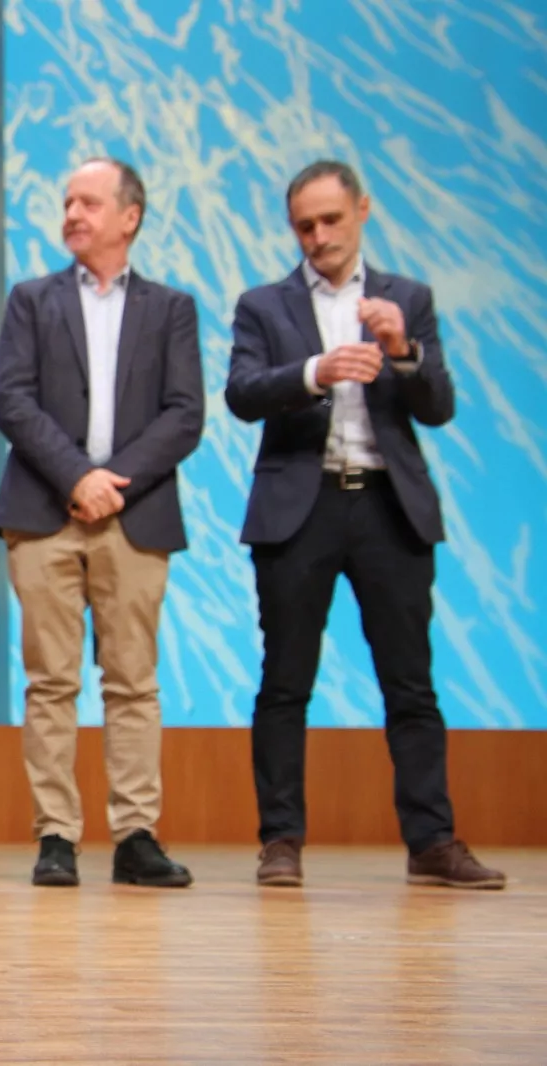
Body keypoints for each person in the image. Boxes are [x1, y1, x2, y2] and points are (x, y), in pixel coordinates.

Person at [226, 159, 506, 889]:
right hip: (301, 508)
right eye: (305, 226)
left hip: (388, 507)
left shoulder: (407, 299)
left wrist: (405, 352)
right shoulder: (264, 305)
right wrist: (314, 372)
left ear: (362, 211)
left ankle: (432, 842)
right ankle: (280, 841)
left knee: (410, 683)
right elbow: (242, 393)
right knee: (285, 682)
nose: (319, 236)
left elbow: (438, 408)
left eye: (331, 219)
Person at [0, 158, 204, 888]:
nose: (72, 214)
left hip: (134, 517)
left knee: (133, 682)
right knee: (50, 683)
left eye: (88, 202)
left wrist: (114, 484)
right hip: (44, 514)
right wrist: (76, 476)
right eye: (67, 202)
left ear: (129, 217)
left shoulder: (171, 309)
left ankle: (136, 836)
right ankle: (56, 836)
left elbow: (185, 414)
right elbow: (12, 400)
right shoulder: (31, 300)